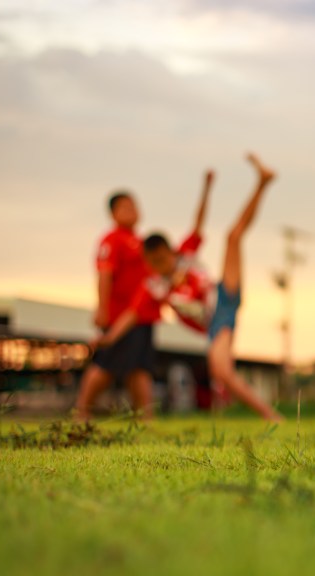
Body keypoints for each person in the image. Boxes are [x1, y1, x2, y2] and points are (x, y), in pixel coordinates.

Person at [95, 153, 283, 422]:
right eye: (154, 263)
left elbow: (198, 221)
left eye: (164, 259)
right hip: (214, 321)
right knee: (222, 373)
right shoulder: (155, 286)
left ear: (170, 251)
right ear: (148, 262)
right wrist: (110, 337)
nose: (161, 266)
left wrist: (207, 188)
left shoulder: (185, 253)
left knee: (233, 237)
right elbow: (132, 315)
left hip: (222, 296)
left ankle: (262, 182)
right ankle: (269, 414)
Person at [75, 190, 161, 421]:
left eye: (134, 206)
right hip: (119, 317)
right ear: (113, 214)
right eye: (125, 207)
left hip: (142, 316)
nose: (132, 211)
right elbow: (105, 274)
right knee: (106, 365)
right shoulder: (112, 240)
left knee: (141, 367)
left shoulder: (141, 242)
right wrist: (102, 309)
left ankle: (146, 417)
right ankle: (82, 411)